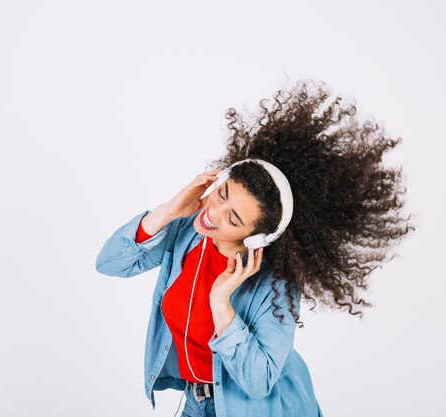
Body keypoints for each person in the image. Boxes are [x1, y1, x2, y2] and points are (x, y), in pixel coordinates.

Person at [95, 79, 415, 417]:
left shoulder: (276, 286)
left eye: (232, 219)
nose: (212, 215)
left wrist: (222, 304)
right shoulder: (187, 235)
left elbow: (259, 380)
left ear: (257, 237)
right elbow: (110, 263)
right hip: (196, 401)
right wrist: (168, 210)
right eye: (221, 194)